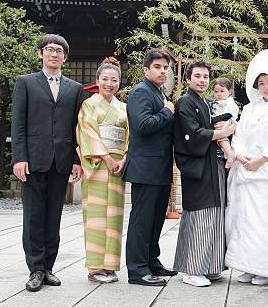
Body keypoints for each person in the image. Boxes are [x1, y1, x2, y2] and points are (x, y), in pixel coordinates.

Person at [11, 34, 85, 292]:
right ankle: (35, 269)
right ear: (40, 53)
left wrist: (77, 160)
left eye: (59, 51)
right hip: (33, 158)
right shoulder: (26, 83)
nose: (54, 54)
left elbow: (77, 128)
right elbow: (18, 124)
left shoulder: (75, 89)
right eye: (49, 50)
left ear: (65, 57)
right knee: (33, 215)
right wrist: (19, 157)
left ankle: (49, 267)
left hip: (61, 160)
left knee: (53, 216)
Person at [226, 49, 268, 286]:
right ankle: (247, 265)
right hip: (247, 173)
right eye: (262, 82)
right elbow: (239, 136)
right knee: (245, 221)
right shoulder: (249, 109)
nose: (266, 87)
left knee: (266, 223)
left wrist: (262, 159)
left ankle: (266, 269)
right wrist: (242, 156)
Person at [173, 60, 236, 287]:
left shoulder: (209, 103)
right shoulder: (185, 102)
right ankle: (191, 268)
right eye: (197, 76)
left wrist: (227, 131)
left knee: (216, 215)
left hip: (214, 165)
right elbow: (192, 133)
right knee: (200, 216)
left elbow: (223, 126)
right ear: (188, 78)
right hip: (197, 166)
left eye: (206, 77)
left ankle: (210, 265)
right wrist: (220, 133)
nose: (202, 80)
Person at [123, 48, 178, 286]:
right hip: (145, 168)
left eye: (166, 68)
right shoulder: (140, 92)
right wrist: (167, 112)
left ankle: (151, 262)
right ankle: (137, 270)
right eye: (157, 67)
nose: (162, 71)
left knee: (156, 220)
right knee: (142, 220)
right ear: (146, 69)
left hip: (160, 168)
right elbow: (143, 124)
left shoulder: (157, 92)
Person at [76, 57, 128, 283]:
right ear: (97, 81)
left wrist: (124, 158)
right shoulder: (89, 104)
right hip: (98, 164)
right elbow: (87, 132)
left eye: (114, 80)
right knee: (97, 215)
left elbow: (128, 136)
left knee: (115, 216)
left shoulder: (123, 108)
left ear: (119, 83)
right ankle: (95, 266)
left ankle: (110, 266)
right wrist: (107, 158)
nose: (109, 83)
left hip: (118, 166)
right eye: (105, 79)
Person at [211, 77, 239, 168]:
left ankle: (230, 154)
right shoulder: (215, 102)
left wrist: (217, 120)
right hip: (219, 126)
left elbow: (230, 114)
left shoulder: (229, 103)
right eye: (216, 91)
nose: (218, 94)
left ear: (230, 91)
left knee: (221, 138)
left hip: (226, 125)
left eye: (222, 91)